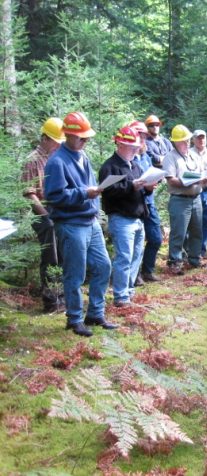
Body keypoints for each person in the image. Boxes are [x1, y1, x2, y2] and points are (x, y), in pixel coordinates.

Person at [44, 112, 116, 337]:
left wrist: (94, 196)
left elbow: (91, 186)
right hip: (70, 224)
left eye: (87, 138)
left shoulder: (83, 156)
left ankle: (95, 313)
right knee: (75, 274)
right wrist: (84, 193)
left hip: (90, 221)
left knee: (103, 265)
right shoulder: (56, 162)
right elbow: (54, 196)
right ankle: (74, 319)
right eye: (81, 137)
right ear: (67, 134)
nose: (85, 141)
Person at [99, 126, 154, 307]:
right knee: (124, 257)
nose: (135, 150)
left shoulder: (135, 165)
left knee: (136, 256)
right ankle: (121, 296)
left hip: (138, 217)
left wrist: (147, 188)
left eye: (136, 147)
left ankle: (129, 291)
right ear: (120, 145)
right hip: (121, 218)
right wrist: (132, 186)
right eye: (131, 147)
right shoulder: (110, 166)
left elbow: (138, 190)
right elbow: (108, 192)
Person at [21, 117, 66, 312]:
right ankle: (50, 300)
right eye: (57, 142)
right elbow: (30, 194)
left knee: (65, 255)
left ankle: (64, 295)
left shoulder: (56, 159)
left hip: (59, 212)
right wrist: (46, 215)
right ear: (46, 139)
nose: (59, 146)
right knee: (51, 256)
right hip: (43, 215)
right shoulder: (33, 160)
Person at [163, 124, 207, 275]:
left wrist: (203, 180)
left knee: (197, 231)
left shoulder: (194, 155)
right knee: (179, 232)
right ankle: (175, 262)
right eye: (183, 141)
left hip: (196, 198)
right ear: (175, 142)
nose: (187, 143)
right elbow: (170, 180)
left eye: (188, 140)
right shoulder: (170, 157)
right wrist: (187, 181)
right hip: (179, 200)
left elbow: (202, 173)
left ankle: (194, 259)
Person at [129, 120, 162, 284]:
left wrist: (154, 182)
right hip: (135, 205)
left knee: (156, 239)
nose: (142, 141)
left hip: (149, 203)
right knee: (136, 242)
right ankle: (134, 276)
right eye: (139, 137)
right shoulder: (128, 158)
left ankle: (147, 270)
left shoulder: (146, 157)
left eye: (144, 137)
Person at [189, 129, 207, 257]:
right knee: (194, 221)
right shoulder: (188, 154)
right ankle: (191, 249)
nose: (201, 140)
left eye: (203, 137)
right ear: (193, 140)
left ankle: (202, 248)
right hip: (194, 191)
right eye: (198, 138)